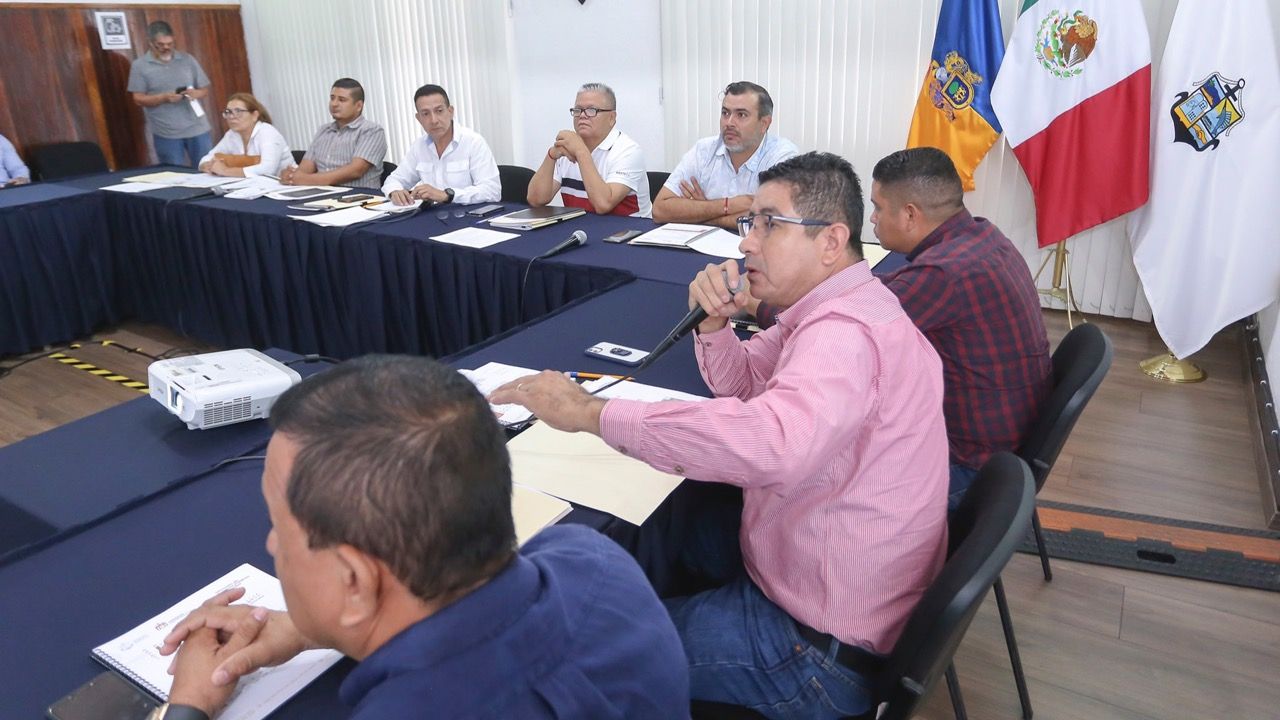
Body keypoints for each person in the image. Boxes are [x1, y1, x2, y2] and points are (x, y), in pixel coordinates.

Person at [491, 152, 949, 719]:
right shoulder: (841, 304)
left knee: (591, 653)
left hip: (815, 646)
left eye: (768, 225)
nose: (746, 243)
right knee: (667, 534)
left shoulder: (843, 336)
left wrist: (590, 412)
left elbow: (771, 443)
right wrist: (712, 324)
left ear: (831, 241)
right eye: (750, 222)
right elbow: (747, 384)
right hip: (824, 566)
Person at [156, 355, 689, 720]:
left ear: (354, 580)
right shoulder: (594, 558)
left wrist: (186, 708)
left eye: (279, 526)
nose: (272, 545)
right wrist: (312, 625)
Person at [755, 147, 1052, 508]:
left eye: (878, 208)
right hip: (1005, 449)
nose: (873, 218)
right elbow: (883, 289)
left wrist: (758, 303)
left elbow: (842, 318)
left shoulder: (944, 274)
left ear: (910, 215)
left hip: (969, 468)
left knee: (802, 477)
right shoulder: (979, 237)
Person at [652, 81, 798, 229]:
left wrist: (701, 213)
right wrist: (728, 205)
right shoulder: (703, 150)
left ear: (764, 124)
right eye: (725, 113)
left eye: (741, 115)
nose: (729, 123)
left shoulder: (781, 156)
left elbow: (775, 220)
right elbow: (659, 210)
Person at [527, 82, 650, 217]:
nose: (582, 115)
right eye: (578, 110)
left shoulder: (628, 151)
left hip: (627, 228)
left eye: (592, 110)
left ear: (611, 118)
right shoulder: (567, 147)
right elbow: (535, 200)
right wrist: (551, 155)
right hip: (580, 226)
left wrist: (581, 151)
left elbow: (603, 204)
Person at [381, 84, 500, 206]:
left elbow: (492, 191)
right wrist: (395, 191)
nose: (434, 120)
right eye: (425, 114)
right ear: (419, 118)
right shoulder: (419, 146)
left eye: (439, 111)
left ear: (450, 111)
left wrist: (447, 195)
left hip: (467, 213)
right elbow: (394, 180)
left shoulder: (473, 142)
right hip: (432, 214)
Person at [127, 21, 213, 168]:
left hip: (198, 128)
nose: (166, 48)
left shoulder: (187, 59)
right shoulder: (140, 66)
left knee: (206, 169)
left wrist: (195, 93)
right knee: (173, 174)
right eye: (160, 45)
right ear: (150, 42)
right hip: (166, 132)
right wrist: (163, 98)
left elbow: (204, 90)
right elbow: (138, 98)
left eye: (170, 44)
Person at [281, 78, 386, 189]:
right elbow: (304, 170)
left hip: (357, 195)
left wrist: (305, 180)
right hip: (321, 192)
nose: (334, 104)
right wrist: (291, 176)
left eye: (342, 100)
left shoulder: (372, 131)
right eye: (332, 98)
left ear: (358, 106)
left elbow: (355, 171)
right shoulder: (323, 130)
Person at [197, 93, 293, 178]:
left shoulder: (267, 132)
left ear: (254, 115)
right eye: (228, 112)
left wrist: (225, 171)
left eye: (238, 111)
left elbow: (268, 169)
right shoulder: (231, 134)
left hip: (285, 185)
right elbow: (208, 157)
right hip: (253, 185)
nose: (231, 117)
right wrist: (207, 165)